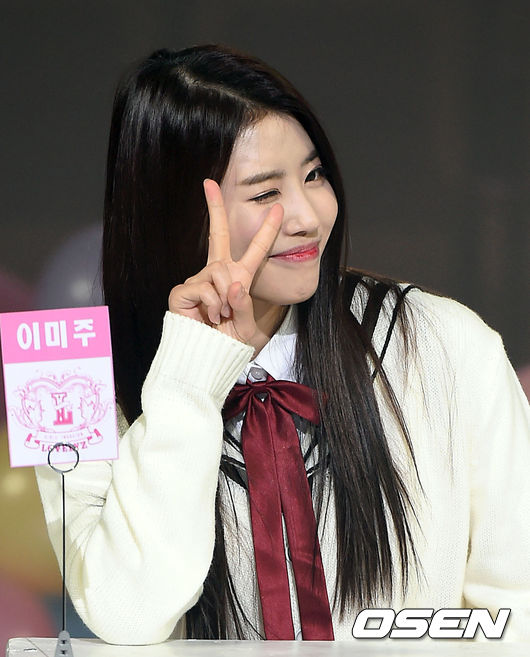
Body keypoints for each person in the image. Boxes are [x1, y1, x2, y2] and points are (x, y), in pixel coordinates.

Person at [35, 45, 530, 645]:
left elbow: (516, 607)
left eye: (314, 175)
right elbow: (128, 616)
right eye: (266, 193)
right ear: (176, 214)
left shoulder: (445, 341)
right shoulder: (65, 379)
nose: (308, 216)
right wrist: (189, 378)